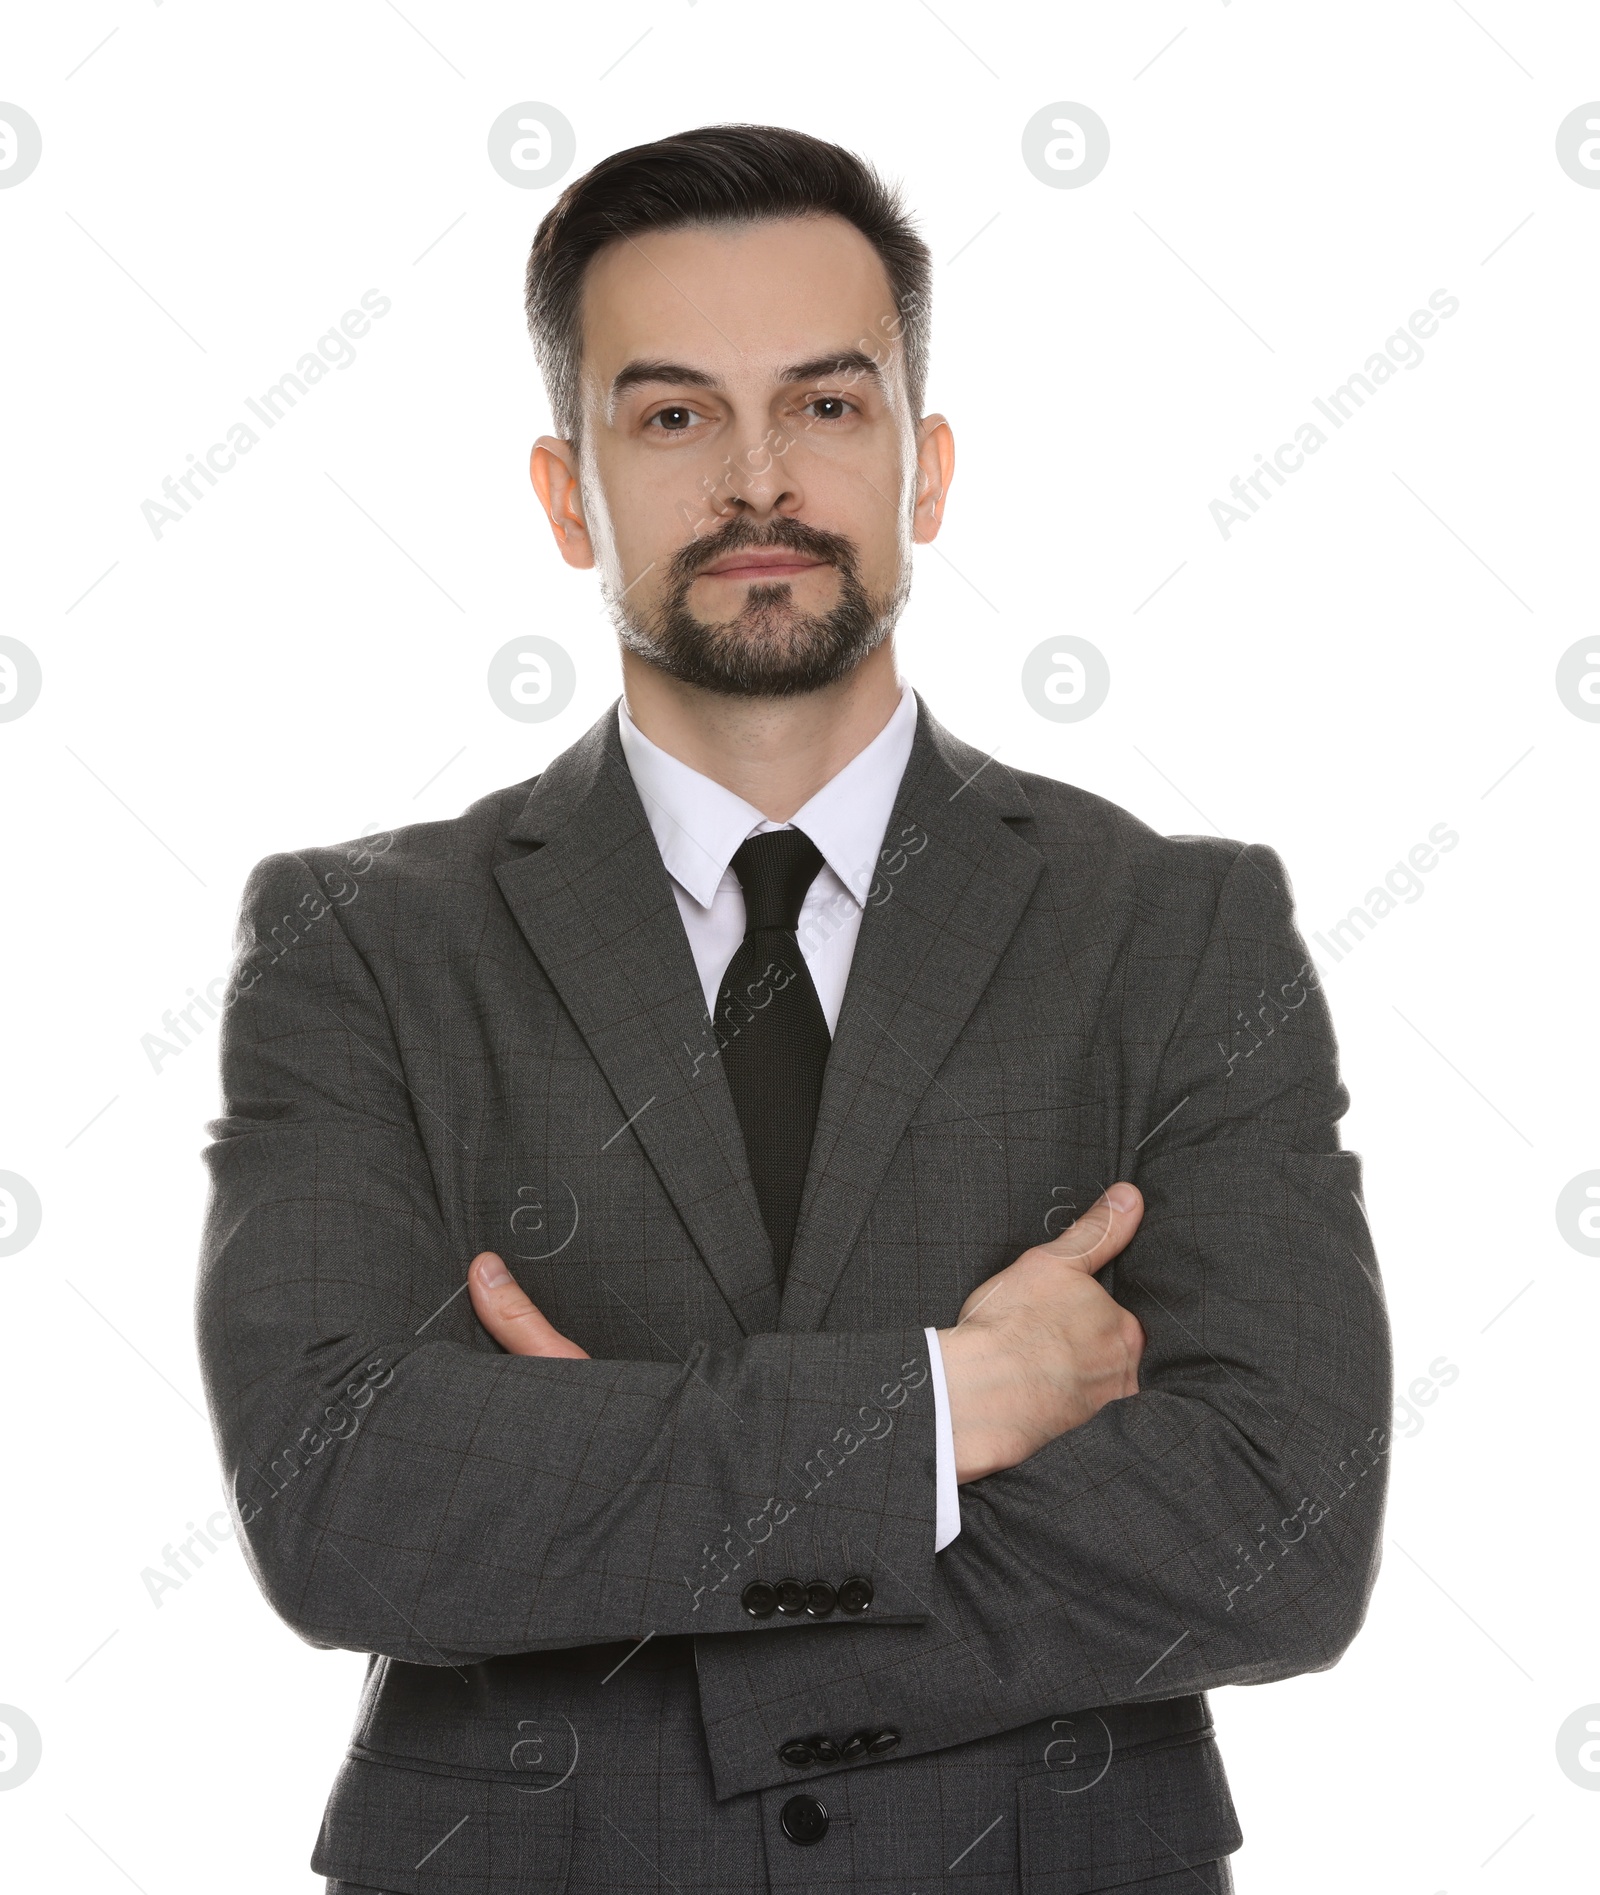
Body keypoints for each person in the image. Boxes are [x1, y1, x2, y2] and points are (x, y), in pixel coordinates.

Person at [196, 122, 1390, 1895]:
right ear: (563, 492)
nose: (759, 480)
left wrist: (605, 1518)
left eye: (829, 407)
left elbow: (1281, 1525)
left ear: (927, 468)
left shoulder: (1178, 927)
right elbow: (343, 1500)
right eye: (673, 416)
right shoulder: (358, 944)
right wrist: (935, 1410)